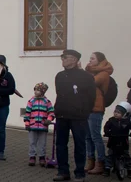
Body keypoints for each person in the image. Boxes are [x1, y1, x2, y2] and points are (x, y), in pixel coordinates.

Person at [52, 49, 96, 181]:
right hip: (62, 115)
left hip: (78, 116)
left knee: (80, 144)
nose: (63, 59)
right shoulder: (59, 76)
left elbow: (91, 97)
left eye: (66, 57)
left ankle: (80, 173)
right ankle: (63, 171)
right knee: (60, 144)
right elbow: (60, 94)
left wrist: (85, 112)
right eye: (62, 57)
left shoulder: (86, 77)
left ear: (75, 60)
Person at [83, 51, 113, 174]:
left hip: (96, 107)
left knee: (95, 137)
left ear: (99, 60)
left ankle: (101, 163)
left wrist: (83, 70)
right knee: (88, 137)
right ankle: (91, 161)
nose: (90, 60)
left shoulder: (104, 73)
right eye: (90, 58)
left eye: (92, 58)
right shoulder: (91, 72)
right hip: (87, 107)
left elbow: (90, 82)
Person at [102, 101, 131, 178]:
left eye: (118, 112)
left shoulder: (127, 122)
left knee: (126, 156)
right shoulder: (111, 120)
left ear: (125, 114)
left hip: (123, 141)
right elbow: (106, 127)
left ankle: (129, 170)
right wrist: (107, 132)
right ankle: (107, 168)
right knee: (110, 155)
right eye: (115, 111)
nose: (115, 113)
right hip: (113, 141)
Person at [24, 82, 55, 167]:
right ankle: (32, 156)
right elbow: (27, 113)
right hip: (32, 125)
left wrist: (49, 120)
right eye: (35, 90)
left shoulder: (47, 102)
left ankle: (42, 157)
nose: (35, 92)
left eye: (38, 90)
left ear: (43, 91)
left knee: (42, 143)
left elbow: (51, 112)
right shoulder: (31, 101)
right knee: (32, 142)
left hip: (43, 126)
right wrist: (27, 123)